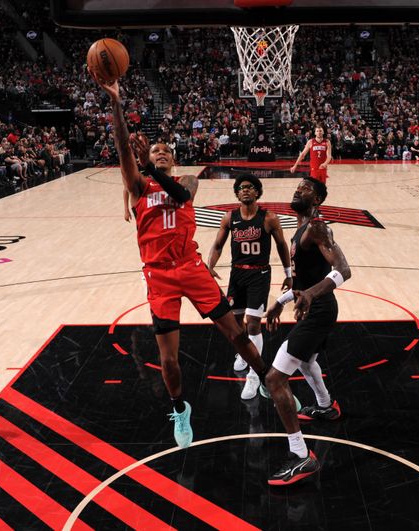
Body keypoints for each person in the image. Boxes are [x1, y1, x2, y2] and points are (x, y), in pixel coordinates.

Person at [91, 73, 273, 453]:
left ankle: (270, 382)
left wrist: (151, 166)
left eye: (164, 152)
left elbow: (179, 193)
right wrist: (116, 104)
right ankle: (180, 408)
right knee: (168, 361)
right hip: (159, 277)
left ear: (172, 160)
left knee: (237, 335)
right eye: (154, 151)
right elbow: (124, 150)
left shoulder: (188, 181)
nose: (159, 154)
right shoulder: (138, 186)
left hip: (191, 269)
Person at [263, 177, 351, 485]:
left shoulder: (316, 227)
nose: (300, 189)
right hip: (315, 308)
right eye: (298, 185)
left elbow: (343, 270)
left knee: (274, 379)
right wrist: (280, 301)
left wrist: (311, 295)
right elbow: (301, 286)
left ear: (319, 200)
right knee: (305, 360)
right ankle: (326, 406)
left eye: (307, 188)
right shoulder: (299, 230)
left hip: (320, 311)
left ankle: (301, 457)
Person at [207, 174, 293, 399]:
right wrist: (209, 266)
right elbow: (217, 244)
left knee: (253, 324)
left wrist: (288, 273)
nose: (245, 190)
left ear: (257, 192)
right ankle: (243, 354)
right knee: (235, 324)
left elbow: (282, 246)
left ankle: (254, 376)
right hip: (237, 275)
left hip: (259, 274)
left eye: (250, 187)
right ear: (236, 193)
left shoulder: (269, 218)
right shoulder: (229, 217)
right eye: (241, 188)